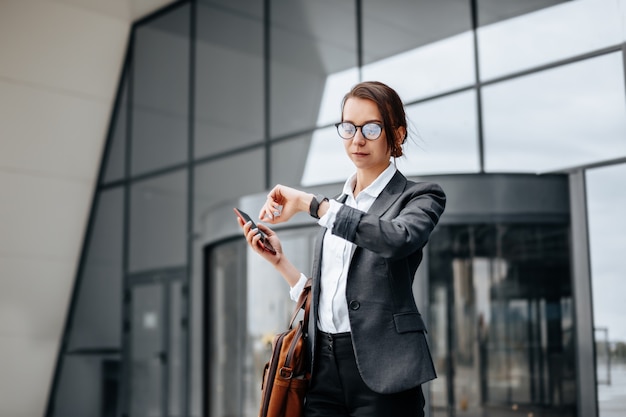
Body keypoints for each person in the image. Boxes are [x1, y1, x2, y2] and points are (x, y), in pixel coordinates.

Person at [237, 81, 446, 417]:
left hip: (385, 374)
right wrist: (280, 262)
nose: (357, 139)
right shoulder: (338, 206)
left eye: (371, 128)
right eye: (348, 128)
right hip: (324, 372)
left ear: (398, 134)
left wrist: (313, 205)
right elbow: (334, 293)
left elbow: (396, 238)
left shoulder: (419, 198)